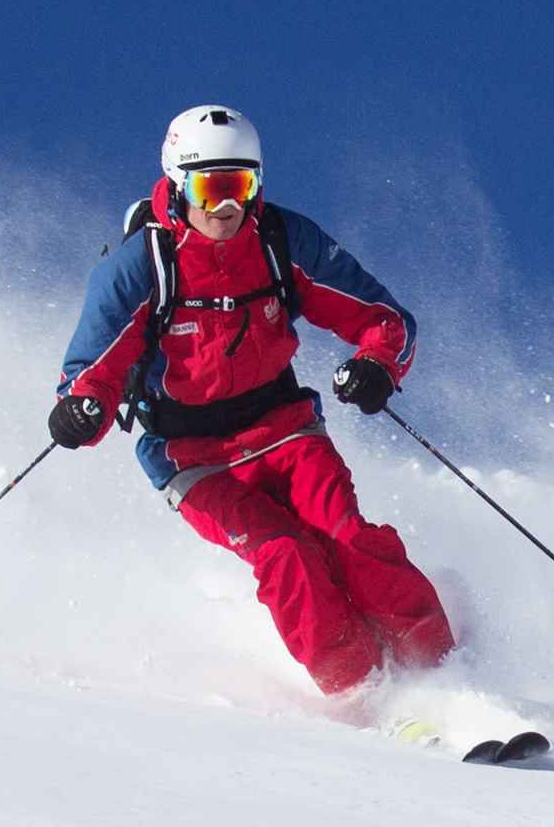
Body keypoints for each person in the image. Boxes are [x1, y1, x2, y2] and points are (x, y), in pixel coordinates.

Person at [49, 104, 455, 695]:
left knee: (347, 539)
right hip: (194, 456)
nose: (226, 207)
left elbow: (385, 319)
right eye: (211, 189)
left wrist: (375, 366)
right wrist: (81, 408)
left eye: (240, 186)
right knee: (285, 553)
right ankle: (364, 693)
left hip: (285, 428)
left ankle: (443, 677)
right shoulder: (142, 267)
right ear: (180, 183)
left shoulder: (281, 242)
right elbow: (92, 368)